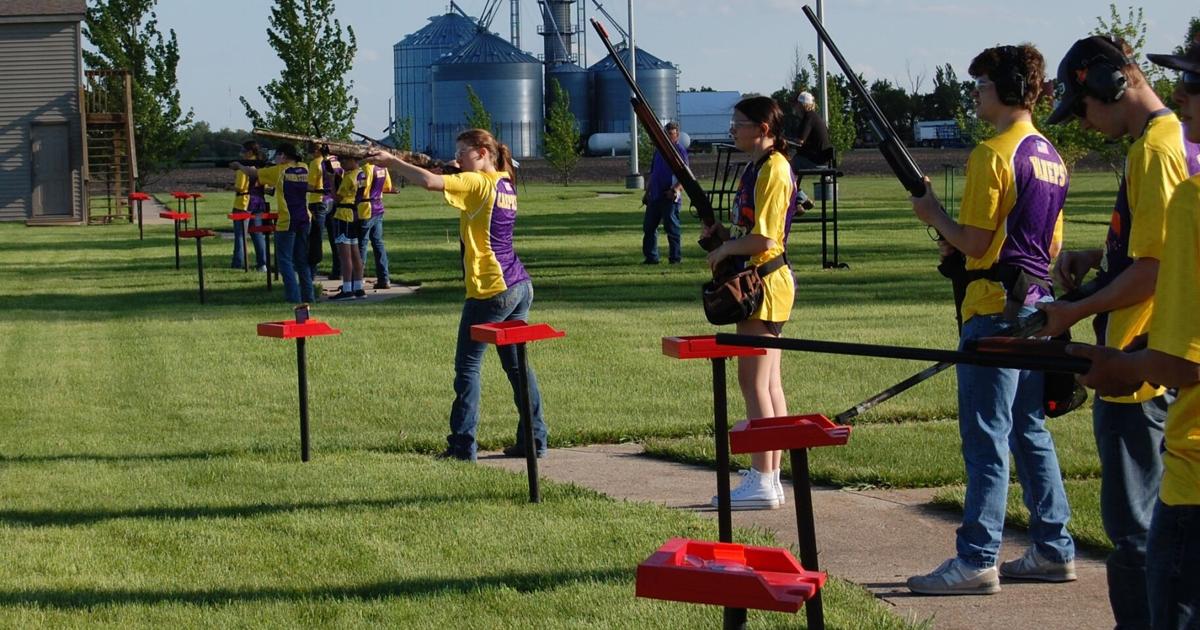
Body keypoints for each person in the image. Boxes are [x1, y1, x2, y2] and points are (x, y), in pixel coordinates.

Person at [1037, 35, 1200, 625]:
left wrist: (1075, 312)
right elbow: (1156, 255)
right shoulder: (1168, 143)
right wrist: (1099, 259)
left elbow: (1156, 272)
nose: (1083, 121)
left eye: (1083, 107)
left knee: (1136, 536)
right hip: (1157, 361)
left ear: (1111, 84)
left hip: (1138, 367)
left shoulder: (1154, 151)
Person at [906, 44, 1076, 595]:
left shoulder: (992, 154)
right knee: (1029, 430)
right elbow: (1051, 243)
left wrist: (934, 215)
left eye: (980, 85)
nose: (974, 94)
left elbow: (976, 240)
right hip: (1033, 306)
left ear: (1003, 90)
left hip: (991, 312)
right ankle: (1054, 548)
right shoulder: (1051, 154)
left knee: (986, 439)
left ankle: (978, 557)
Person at [369, 129, 548, 462]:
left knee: (468, 368)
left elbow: (429, 183)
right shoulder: (505, 180)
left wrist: (391, 160)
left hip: (490, 287)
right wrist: (448, 168)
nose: (458, 158)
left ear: (482, 153)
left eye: (463, 152)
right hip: (519, 283)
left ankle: (462, 446)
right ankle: (534, 439)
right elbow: (450, 180)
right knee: (518, 368)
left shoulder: (479, 183)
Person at [702, 96, 796, 510]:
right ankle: (769, 475)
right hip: (764, 282)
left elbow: (764, 239)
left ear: (762, 127)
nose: (733, 130)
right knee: (768, 384)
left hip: (765, 284)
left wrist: (725, 252)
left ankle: (763, 477)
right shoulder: (757, 166)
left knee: (755, 382)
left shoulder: (774, 169)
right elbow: (748, 230)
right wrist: (725, 237)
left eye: (739, 123)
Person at [231, 143, 314, 304]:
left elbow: (252, 173)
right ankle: (308, 297)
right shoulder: (304, 167)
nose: (275, 158)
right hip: (305, 218)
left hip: (286, 220)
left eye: (277, 155)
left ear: (283, 156)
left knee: (285, 261)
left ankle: (293, 298)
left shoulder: (279, 170)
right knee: (301, 260)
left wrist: (239, 166)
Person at [642, 121, 687, 265]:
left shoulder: (679, 151)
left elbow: (685, 175)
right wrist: (647, 193)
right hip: (655, 196)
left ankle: (675, 258)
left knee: (672, 228)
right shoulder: (658, 151)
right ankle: (651, 257)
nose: (668, 137)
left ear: (677, 135)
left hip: (670, 196)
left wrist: (675, 189)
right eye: (666, 134)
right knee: (649, 227)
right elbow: (653, 174)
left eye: (671, 134)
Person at [328, 154, 366, 301]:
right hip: (354, 214)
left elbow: (337, 198)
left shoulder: (349, 177)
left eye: (344, 160)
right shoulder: (360, 174)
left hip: (343, 214)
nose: (342, 163)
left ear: (353, 160)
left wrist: (331, 182)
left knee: (345, 256)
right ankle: (358, 287)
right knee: (355, 252)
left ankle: (347, 289)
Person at [789, 91, 833, 211]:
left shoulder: (808, 117)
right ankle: (798, 202)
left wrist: (786, 141)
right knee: (789, 171)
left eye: (797, 105)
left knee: (784, 170)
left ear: (801, 105)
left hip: (814, 161)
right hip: (822, 160)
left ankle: (800, 199)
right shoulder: (815, 117)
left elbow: (800, 141)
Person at [231, 141, 267, 272]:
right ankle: (262, 264)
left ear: (250, 152)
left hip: (243, 203)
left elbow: (240, 187)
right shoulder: (261, 164)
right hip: (258, 201)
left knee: (240, 235)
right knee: (258, 234)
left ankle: (238, 263)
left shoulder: (243, 166)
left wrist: (230, 186)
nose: (242, 153)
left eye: (244, 150)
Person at [306, 142, 341, 280]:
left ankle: (312, 272)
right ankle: (338, 270)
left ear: (316, 151)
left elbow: (311, 185)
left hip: (318, 201)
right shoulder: (335, 161)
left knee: (315, 238)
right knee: (335, 237)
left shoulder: (315, 163)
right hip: (332, 199)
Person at [359, 159, 393, 289]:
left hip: (366, 208)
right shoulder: (382, 167)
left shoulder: (367, 168)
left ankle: (358, 278)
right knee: (378, 243)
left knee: (362, 243)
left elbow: (363, 190)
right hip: (378, 206)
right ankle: (384, 278)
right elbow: (387, 187)